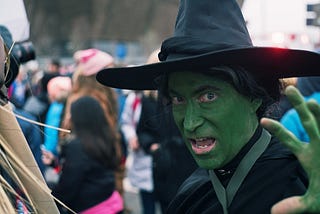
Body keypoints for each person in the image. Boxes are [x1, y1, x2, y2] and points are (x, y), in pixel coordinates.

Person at [96, 0, 320, 213]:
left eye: (209, 96)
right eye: (178, 99)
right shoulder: (191, 195)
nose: (190, 123)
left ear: (255, 95)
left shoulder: (300, 182)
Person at [52, 96, 123, 214]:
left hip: (91, 207)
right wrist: (55, 162)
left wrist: (49, 201)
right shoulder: (107, 139)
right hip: (111, 202)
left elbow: (69, 184)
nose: (69, 117)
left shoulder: (78, 146)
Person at [121, 90, 159, 214]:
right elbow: (127, 122)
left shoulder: (162, 97)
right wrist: (132, 137)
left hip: (164, 159)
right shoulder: (134, 99)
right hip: (143, 156)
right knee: (147, 202)